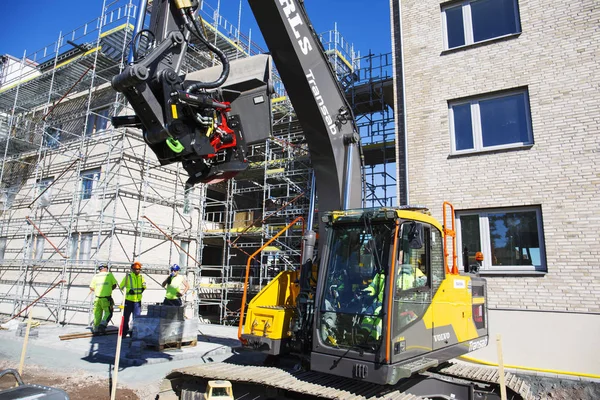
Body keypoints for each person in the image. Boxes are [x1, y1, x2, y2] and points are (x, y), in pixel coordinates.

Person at [119, 261, 146, 337]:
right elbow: (121, 286)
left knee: (136, 318)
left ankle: (133, 332)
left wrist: (143, 289)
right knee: (126, 317)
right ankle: (124, 331)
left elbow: (144, 286)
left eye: (139, 269)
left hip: (137, 301)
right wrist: (128, 290)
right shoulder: (128, 277)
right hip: (129, 301)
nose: (137, 271)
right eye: (136, 269)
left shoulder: (141, 277)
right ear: (133, 269)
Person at [89, 264, 118, 334]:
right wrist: (108, 289)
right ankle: (102, 326)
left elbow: (91, 288)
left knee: (97, 314)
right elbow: (114, 285)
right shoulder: (109, 275)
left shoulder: (95, 276)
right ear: (106, 268)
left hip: (97, 299)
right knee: (109, 312)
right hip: (106, 298)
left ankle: (96, 328)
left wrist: (98, 289)